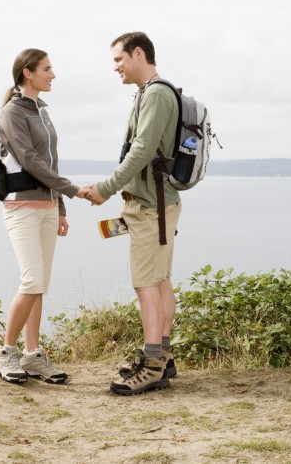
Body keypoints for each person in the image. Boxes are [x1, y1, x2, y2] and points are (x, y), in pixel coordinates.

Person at [84, 32, 181, 395]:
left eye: (118, 60)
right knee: (159, 280)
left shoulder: (155, 92)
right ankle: (164, 359)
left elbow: (140, 150)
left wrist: (106, 188)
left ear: (138, 53)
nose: (116, 68)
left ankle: (152, 364)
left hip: (150, 205)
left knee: (146, 285)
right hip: (159, 202)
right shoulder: (154, 92)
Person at [0, 48, 90, 384]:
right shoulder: (12, 113)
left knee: (40, 286)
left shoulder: (42, 112)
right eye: (47, 69)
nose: (53, 74)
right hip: (21, 207)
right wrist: (73, 190)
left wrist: (60, 206)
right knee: (31, 281)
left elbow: (51, 162)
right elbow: (31, 161)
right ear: (28, 72)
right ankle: (6, 353)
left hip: (48, 208)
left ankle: (33, 356)